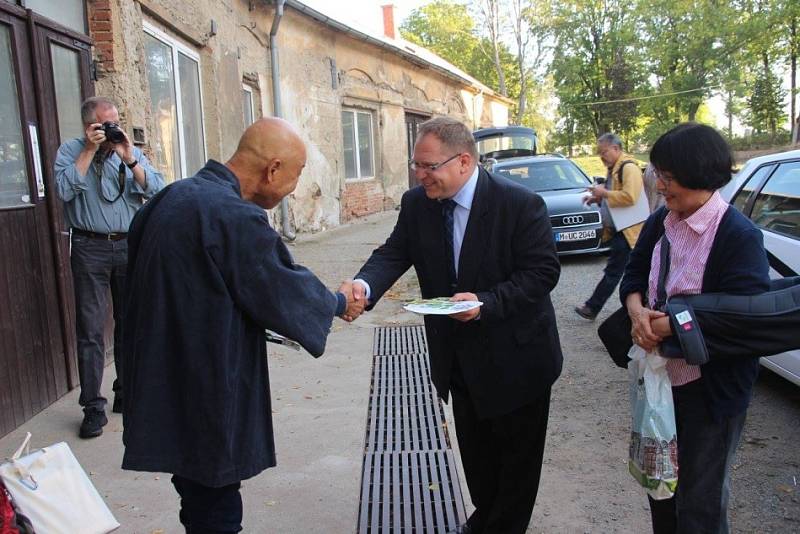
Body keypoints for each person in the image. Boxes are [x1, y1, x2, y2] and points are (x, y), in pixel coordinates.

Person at [121, 117, 364, 533]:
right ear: (272, 169)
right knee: (217, 505)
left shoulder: (171, 197)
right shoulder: (233, 216)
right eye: (296, 175)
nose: (293, 188)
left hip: (162, 374)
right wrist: (339, 302)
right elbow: (278, 286)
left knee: (195, 494)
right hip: (207, 382)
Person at [346, 117, 563, 534]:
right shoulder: (417, 204)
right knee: (478, 458)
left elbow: (542, 273)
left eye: (428, 166)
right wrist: (363, 285)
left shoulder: (518, 204)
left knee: (516, 467)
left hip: (518, 360)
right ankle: (486, 517)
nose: (419, 174)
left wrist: (487, 302)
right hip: (458, 358)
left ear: (464, 162)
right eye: (416, 164)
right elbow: (394, 252)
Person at [619, 123, 770, 533]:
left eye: (666, 177)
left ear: (698, 173)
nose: (659, 186)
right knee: (661, 488)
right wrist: (637, 313)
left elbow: (745, 318)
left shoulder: (738, 236)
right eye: (657, 175)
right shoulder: (661, 222)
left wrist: (669, 326)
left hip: (710, 393)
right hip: (660, 385)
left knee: (700, 503)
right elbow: (632, 278)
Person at [54, 96, 165, 439]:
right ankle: (92, 408)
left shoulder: (127, 150)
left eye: (116, 120)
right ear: (89, 125)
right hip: (89, 247)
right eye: (105, 123)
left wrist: (129, 158)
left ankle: (126, 393)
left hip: (128, 245)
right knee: (90, 329)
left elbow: (158, 189)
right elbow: (62, 190)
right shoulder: (70, 151)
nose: (113, 127)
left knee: (130, 324)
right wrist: (89, 150)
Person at [575, 133, 645, 320]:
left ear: (616, 148)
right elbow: (616, 196)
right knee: (622, 271)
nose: (601, 156)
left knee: (615, 271)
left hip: (630, 231)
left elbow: (630, 197)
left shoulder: (629, 168)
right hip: (620, 230)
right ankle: (595, 307)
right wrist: (598, 198)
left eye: (604, 151)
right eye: (599, 153)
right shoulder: (614, 169)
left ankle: (592, 307)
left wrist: (604, 193)